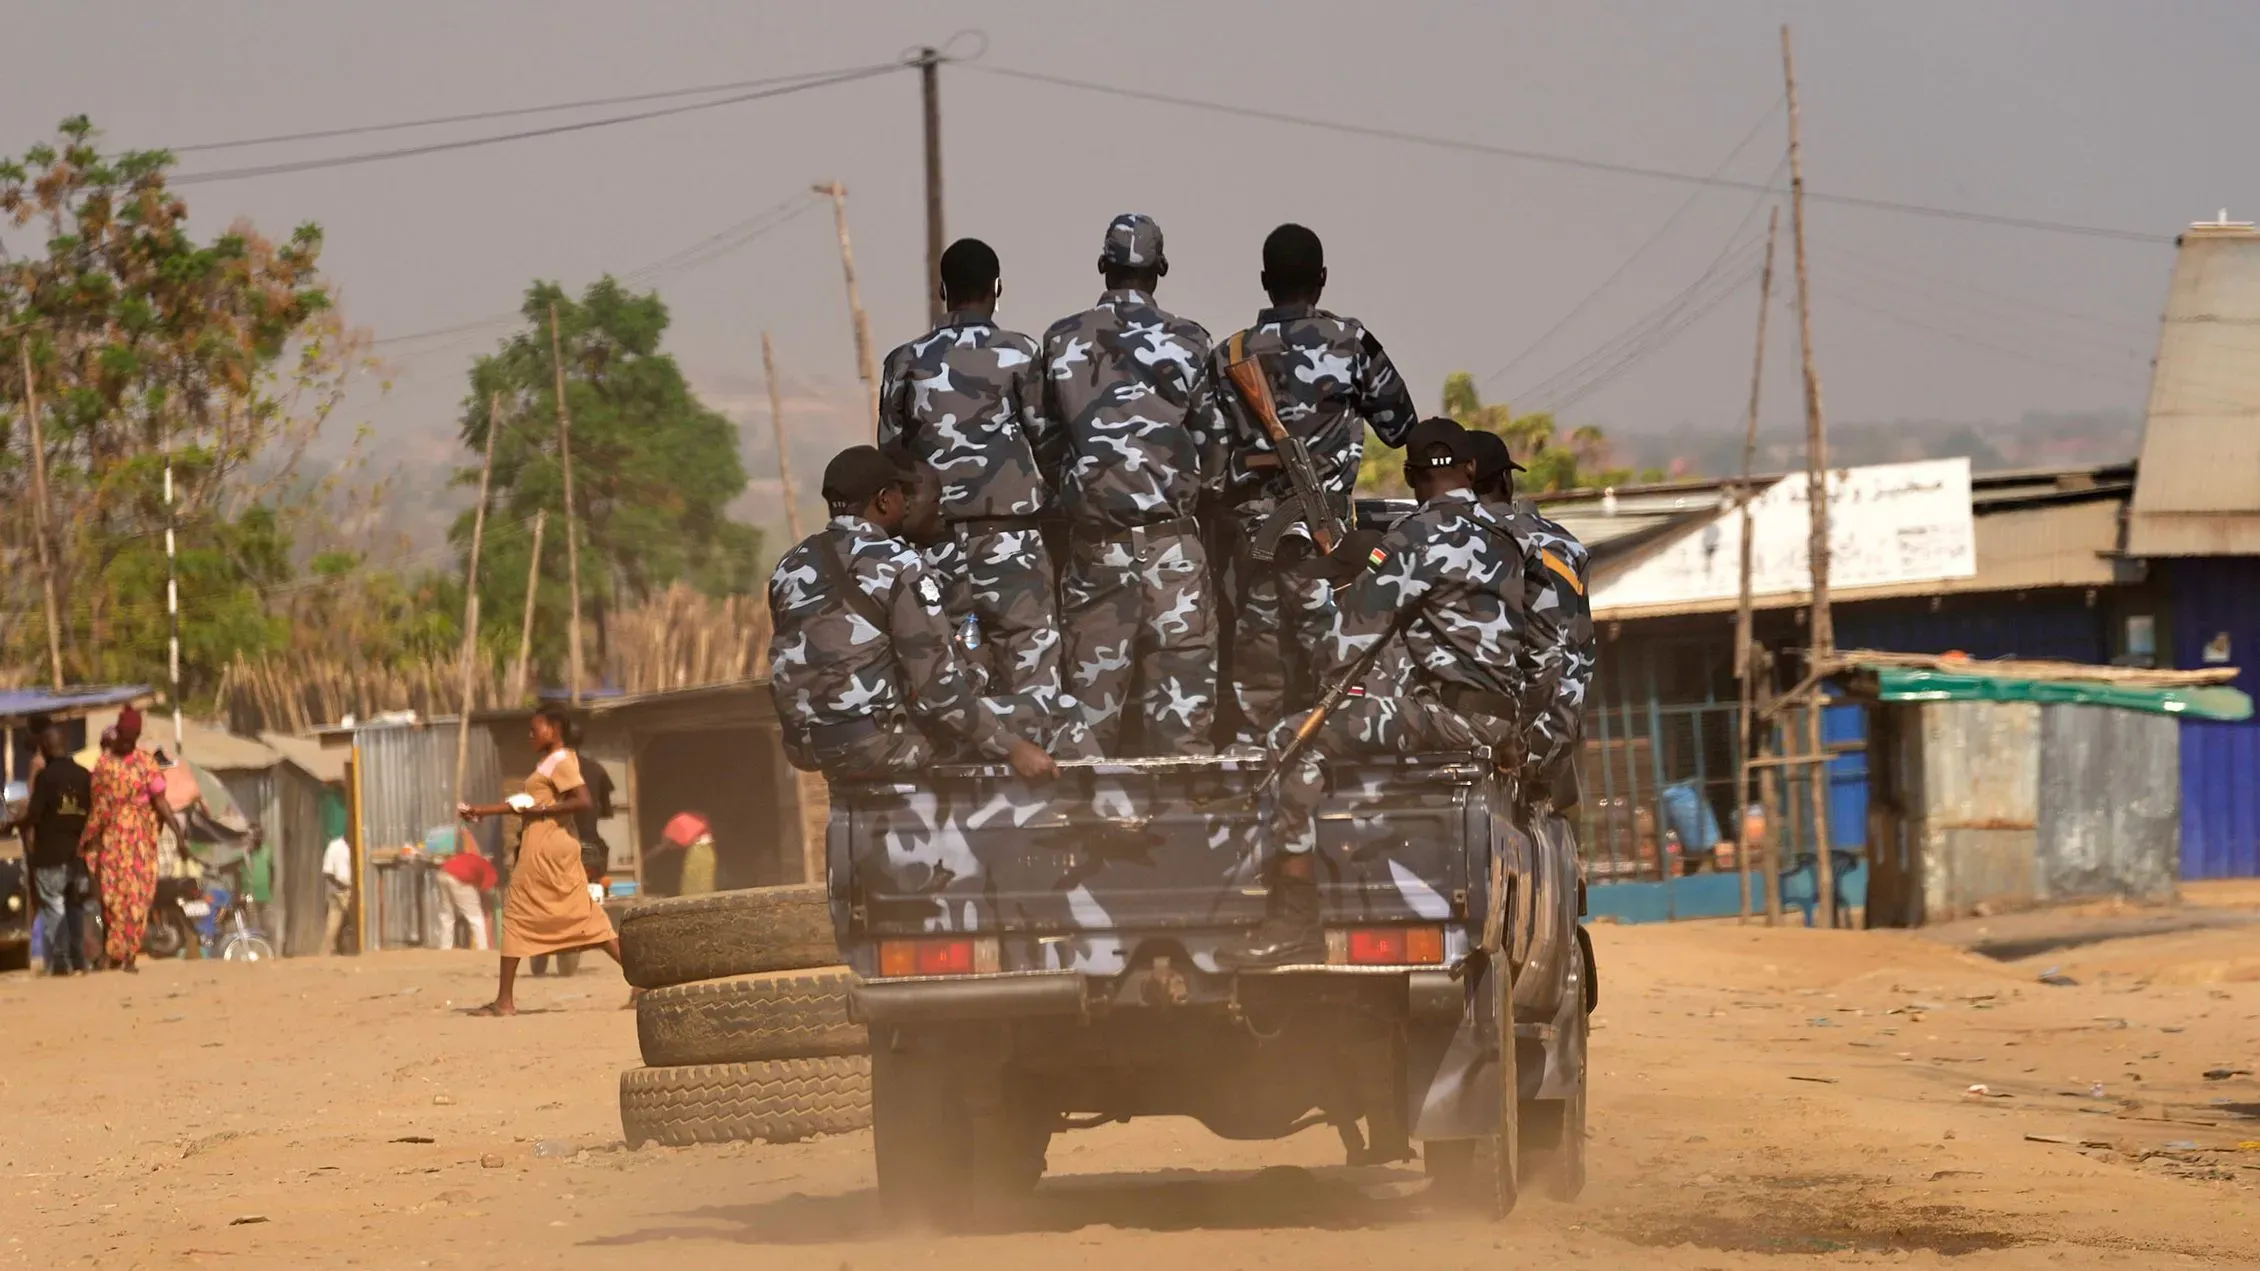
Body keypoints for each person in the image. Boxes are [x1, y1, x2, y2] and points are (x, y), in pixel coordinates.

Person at [1238, 419, 1529, 966]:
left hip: (1445, 720)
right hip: (1497, 722)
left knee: (1291, 742)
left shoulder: (1412, 539)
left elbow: (1348, 641)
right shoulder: (1507, 539)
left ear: (1410, 476)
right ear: (1470, 470)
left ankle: (1294, 918)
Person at [1207, 223, 1419, 743]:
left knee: (1259, 690)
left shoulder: (1228, 353)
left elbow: (1208, 463)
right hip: (1326, 553)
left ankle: (1259, 773)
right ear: (1322, 279)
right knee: (1336, 677)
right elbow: (1401, 429)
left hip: (1254, 553)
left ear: (1264, 280)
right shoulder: (1349, 342)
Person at [1037, 213, 1221, 756]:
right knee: (1184, 732)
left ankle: (1093, 838)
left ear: (1103, 267)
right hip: (1174, 551)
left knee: (1088, 731)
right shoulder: (1191, 341)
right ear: (1161, 269)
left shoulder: (1061, 340)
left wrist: (1082, 491)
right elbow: (1215, 445)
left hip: (1098, 552)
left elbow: (1045, 443)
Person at [767, 445, 1058, 782]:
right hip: (880, 745)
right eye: (900, 493)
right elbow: (939, 691)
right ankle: (1101, 826)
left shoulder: (789, 566)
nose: (907, 503)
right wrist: (1012, 746)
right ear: (883, 500)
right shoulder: (898, 564)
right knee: (1059, 716)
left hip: (814, 748)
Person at [878, 237, 1066, 722]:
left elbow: (889, 455)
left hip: (932, 551)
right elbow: (1048, 443)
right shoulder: (1021, 353)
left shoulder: (905, 361)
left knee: (948, 677)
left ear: (943, 290)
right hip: (1012, 543)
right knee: (1033, 674)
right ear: (997, 288)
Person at [457, 705, 627, 1017]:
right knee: (586, 917)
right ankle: (642, 981)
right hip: (545, 847)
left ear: (555, 728)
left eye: (536, 729)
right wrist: (483, 811)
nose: (530, 735)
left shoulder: (562, 760)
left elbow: (582, 800)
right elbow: (527, 805)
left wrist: (541, 812)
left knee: (518, 911)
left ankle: (504, 1001)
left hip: (548, 849)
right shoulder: (548, 763)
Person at [1468, 429, 1596, 810]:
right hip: (1549, 751)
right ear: (1506, 480)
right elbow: (1578, 661)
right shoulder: (1565, 546)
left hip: (1466, 749)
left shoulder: (1439, 542)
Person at [79, 708, 186, 973]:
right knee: (114, 898)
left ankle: (127, 956)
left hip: (139, 842)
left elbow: (160, 802)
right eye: (125, 736)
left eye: (132, 737)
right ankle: (114, 953)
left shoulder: (146, 763)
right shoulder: (104, 766)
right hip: (112, 841)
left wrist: (178, 834)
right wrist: (87, 839)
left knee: (138, 898)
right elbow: (98, 807)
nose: (128, 742)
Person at [7, 726, 91, 975]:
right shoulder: (84, 775)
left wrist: (12, 823)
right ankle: (79, 962)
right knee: (75, 908)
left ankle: (61, 963)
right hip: (77, 856)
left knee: (55, 908)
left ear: (44, 748)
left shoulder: (46, 777)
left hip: (50, 856)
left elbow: (34, 814)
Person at [435, 832, 496, 951]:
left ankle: (445, 947)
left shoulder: (473, 857)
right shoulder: (490, 870)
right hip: (459, 878)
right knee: (475, 916)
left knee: (447, 915)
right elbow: (484, 890)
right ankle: (482, 948)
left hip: (443, 873)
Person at [322, 833, 354, 954]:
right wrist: (339, 884)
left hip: (352, 890)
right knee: (333, 925)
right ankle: (326, 953)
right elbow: (327, 872)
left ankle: (344, 951)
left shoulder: (355, 847)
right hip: (339, 889)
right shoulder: (335, 846)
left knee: (349, 925)